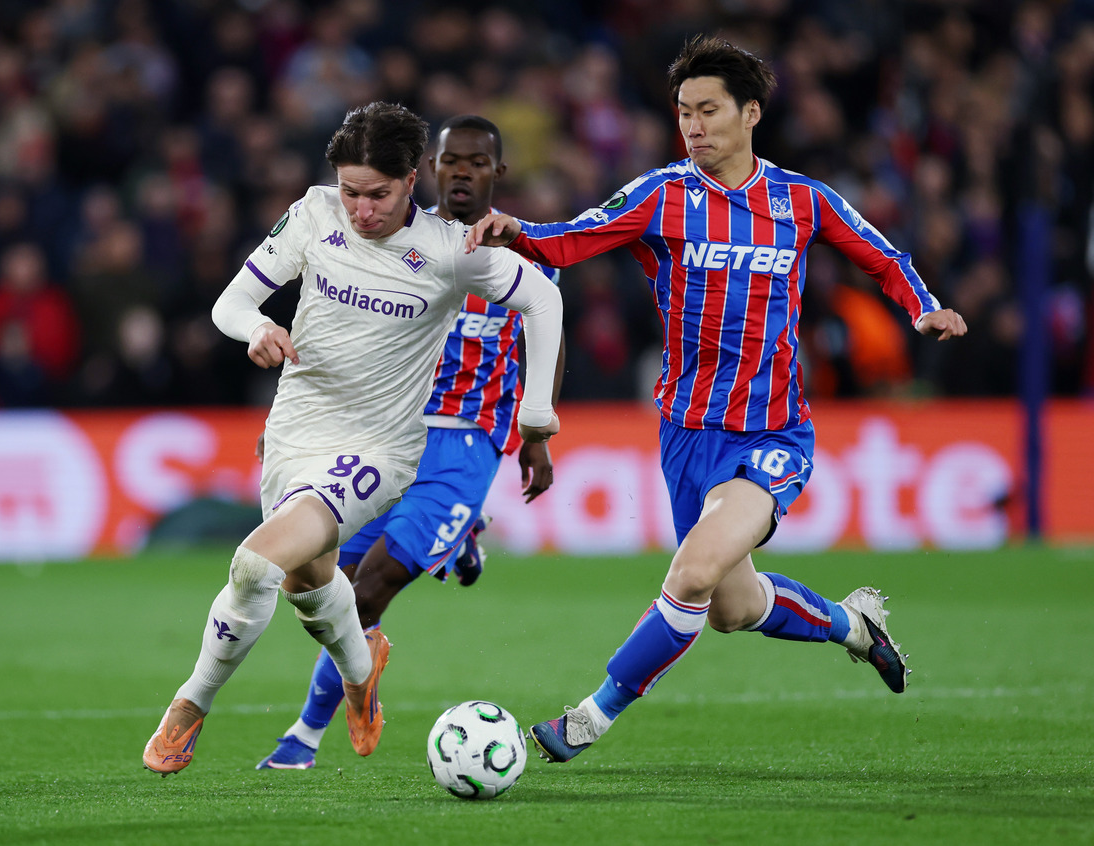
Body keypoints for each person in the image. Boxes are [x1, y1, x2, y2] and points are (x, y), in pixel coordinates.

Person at [465, 35, 967, 763]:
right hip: (685, 435)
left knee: (692, 574)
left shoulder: (802, 201)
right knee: (731, 606)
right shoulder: (662, 196)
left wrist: (921, 306)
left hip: (771, 434)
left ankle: (588, 718)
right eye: (683, 113)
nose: (694, 126)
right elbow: (572, 241)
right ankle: (851, 626)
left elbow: (883, 256)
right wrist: (520, 233)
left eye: (708, 110)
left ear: (751, 112)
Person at [142, 102, 563, 776]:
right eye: (350, 191)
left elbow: (545, 300)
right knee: (311, 587)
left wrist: (537, 420)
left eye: (378, 194)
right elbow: (231, 303)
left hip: (379, 451)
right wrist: (255, 329)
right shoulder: (313, 215)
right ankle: (361, 673)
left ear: (409, 184)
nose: (361, 209)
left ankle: (190, 706)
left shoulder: (451, 253)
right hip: (293, 434)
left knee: (254, 565)